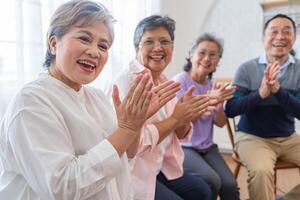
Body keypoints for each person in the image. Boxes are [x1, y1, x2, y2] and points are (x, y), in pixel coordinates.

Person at [0, 1, 169, 199]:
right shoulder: (31, 103)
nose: (94, 52)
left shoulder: (96, 97)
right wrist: (127, 129)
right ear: (53, 43)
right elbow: (63, 188)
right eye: (84, 39)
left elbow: (126, 155)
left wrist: (136, 123)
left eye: (103, 46)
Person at [110, 15, 212, 200]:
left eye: (164, 41)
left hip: (161, 165)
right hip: (133, 173)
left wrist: (186, 114)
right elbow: (133, 146)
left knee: (204, 191)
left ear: (172, 48)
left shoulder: (165, 80)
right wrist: (175, 119)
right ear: (137, 47)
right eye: (149, 41)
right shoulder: (129, 82)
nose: (158, 47)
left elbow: (180, 134)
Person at [225, 14, 300, 200]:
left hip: (288, 138)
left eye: (286, 31)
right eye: (274, 31)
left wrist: (278, 91)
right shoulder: (247, 69)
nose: (280, 36)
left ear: (294, 38)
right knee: (261, 171)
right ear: (263, 38)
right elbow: (231, 109)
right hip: (252, 137)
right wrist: (260, 94)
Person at [172, 33, 239, 200]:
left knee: (230, 185)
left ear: (218, 61)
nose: (207, 58)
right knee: (212, 180)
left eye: (213, 54)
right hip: (184, 147)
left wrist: (217, 108)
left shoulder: (211, 85)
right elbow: (179, 121)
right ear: (190, 55)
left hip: (207, 147)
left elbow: (220, 123)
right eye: (202, 52)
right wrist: (210, 100)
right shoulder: (179, 83)